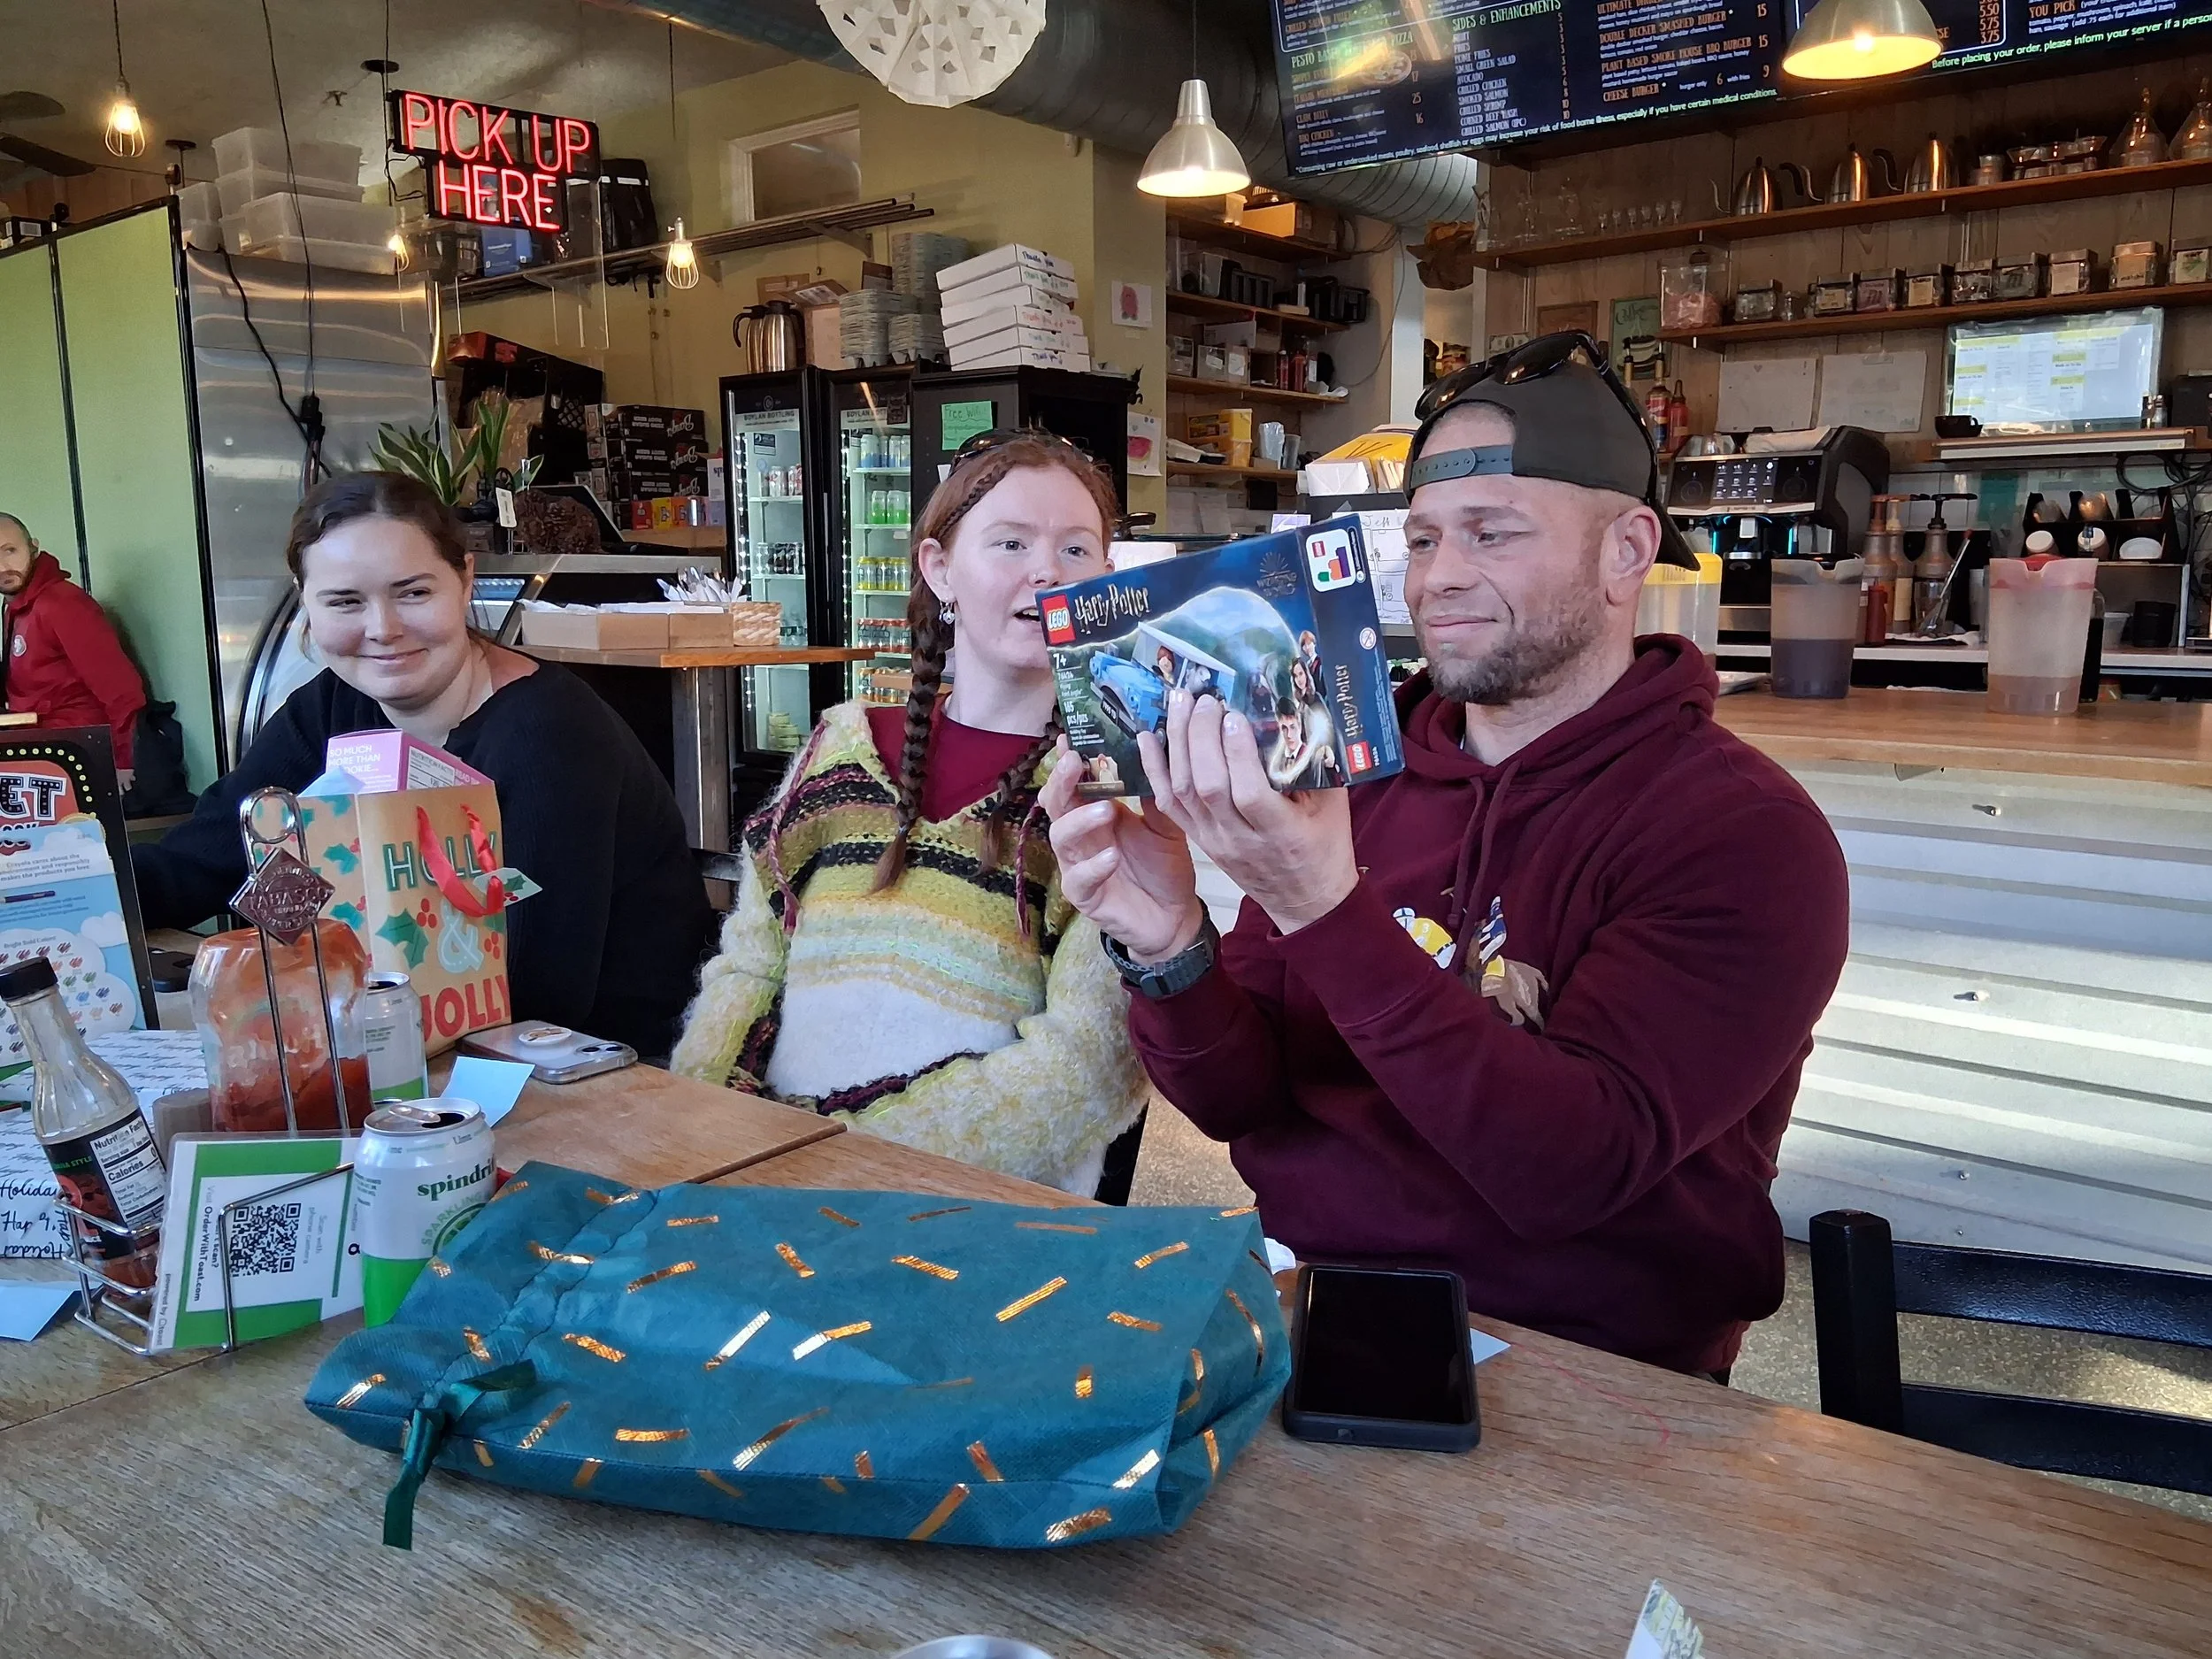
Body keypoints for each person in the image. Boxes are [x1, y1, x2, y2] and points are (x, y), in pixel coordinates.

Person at [1042, 334, 1851, 1377]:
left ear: (1626, 550)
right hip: (1306, 1298)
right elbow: (1237, 1103)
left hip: (1595, 1362)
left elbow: (1569, 1172)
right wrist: (1169, 943)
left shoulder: (1742, 835)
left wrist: (1327, 909)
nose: (1442, 579)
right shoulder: (1352, 769)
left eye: (1492, 532)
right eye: (1422, 541)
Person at [672, 432, 1146, 1195]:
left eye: (1077, 550)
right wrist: (710, 1132)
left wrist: (850, 1162)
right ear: (939, 568)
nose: (1047, 573)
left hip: (982, 1233)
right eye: (1011, 542)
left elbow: (1091, 1065)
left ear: (1106, 583)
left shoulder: (1107, 791)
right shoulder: (840, 748)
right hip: (760, 1190)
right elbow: (752, 964)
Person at [132, 472, 712, 1057]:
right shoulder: (332, 705)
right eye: (345, 601)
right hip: (412, 1038)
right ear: (304, 599)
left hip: (617, 1070)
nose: (383, 629)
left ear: (464, 581)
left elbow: (538, 990)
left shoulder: (550, 735)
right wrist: (68, 894)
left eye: (413, 593)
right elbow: (205, 859)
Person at [0, 512, 148, 791]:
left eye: (10, 551)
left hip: (72, 756)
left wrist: (122, 762)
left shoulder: (63, 604)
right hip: (35, 746)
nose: (3, 567)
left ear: (33, 546)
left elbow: (121, 690)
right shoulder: (16, 607)